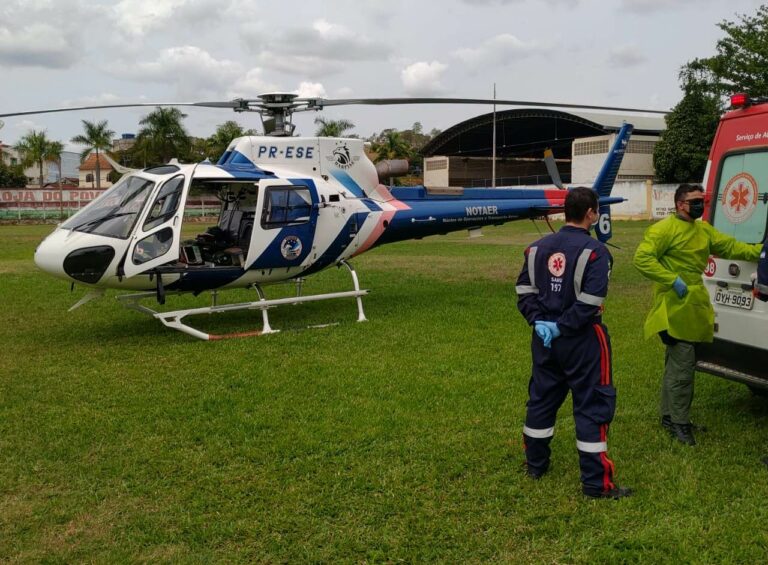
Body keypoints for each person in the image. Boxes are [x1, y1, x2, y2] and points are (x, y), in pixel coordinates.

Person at [516, 187, 631, 500]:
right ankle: (596, 484)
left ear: (565, 211)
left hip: (544, 340)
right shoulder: (596, 252)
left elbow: (524, 291)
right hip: (582, 341)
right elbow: (591, 301)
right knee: (592, 403)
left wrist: (540, 323)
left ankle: (535, 465)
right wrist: (562, 326)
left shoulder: (536, 248)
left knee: (541, 398)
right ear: (592, 213)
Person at [633, 183, 761, 446]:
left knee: (677, 365)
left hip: (694, 306)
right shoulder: (664, 229)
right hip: (673, 308)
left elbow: (732, 247)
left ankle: (669, 417)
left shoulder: (703, 231)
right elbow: (642, 258)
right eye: (694, 201)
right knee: (682, 368)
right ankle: (680, 423)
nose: (699, 205)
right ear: (680, 204)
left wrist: (762, 253)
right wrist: (672, 280)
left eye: (701, 200)